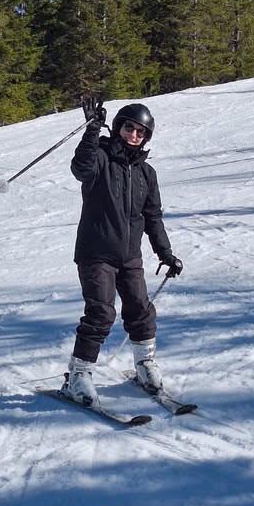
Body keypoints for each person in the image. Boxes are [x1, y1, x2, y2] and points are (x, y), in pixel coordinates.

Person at [64, 97, 183, 407]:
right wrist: (91, 131)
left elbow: (152, 217)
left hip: (129, 255)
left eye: (141, 132)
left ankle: (144, 365)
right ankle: (78, 375)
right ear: (118, 128)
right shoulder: (101, 158)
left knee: (141, 311)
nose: (134, 135)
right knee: (101, 313)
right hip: (96, 252)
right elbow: (80, 168)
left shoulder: (147, 173)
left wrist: (165, 253)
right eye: (129, 128)